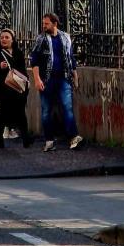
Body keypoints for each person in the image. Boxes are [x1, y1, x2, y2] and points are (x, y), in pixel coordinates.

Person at [31, 12, 83, 152]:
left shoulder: (65, 37)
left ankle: (73, 137)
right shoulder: (41, 39)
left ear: (55, 23)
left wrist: (75, 76)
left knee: (67, 107)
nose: (44, 26)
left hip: (63, 78)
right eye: (43, 23)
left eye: (46, 23)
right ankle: (49, 140)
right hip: (47, 79)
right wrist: (37, 79)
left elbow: (71, 58)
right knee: (47, 110)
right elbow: (34, 60)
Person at [0, 29, 33, 149]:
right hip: (0, 90)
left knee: (20, 114)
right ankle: (0, 140)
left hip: (16, 89)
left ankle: (25, 139)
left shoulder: (18, 52)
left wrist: (26, 82)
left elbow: (22, 69)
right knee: (0, 115)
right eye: (2, 37)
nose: (3, 39)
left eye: (7, 37)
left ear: (12, 39)